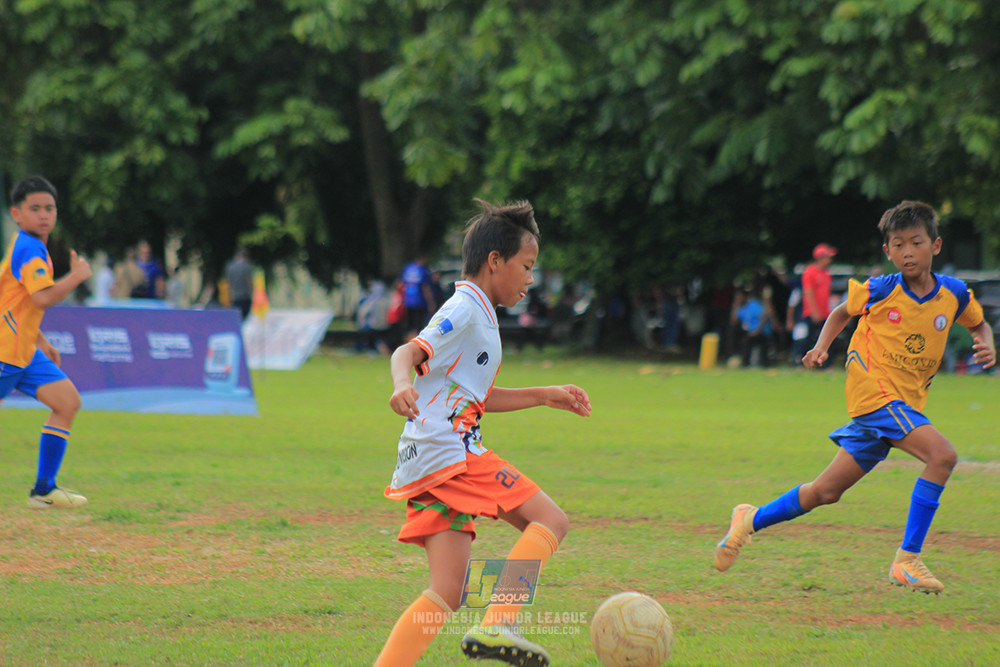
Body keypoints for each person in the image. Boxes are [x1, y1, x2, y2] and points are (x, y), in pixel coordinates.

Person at [713, 200, 995, 594]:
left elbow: (979, 324)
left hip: (900, 406)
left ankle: (748, 519)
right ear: (887, 252)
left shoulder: (954, 294)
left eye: (915, 242)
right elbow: (840, 313)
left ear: (936, 245)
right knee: (942, 456)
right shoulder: (880, 289)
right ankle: (907, 559)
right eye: (897, 245)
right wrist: (821, 346)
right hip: (874, 395)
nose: (906, 252)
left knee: (824, 492)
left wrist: (988, 346)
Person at [374, 199, 592, 667]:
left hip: (426, 461)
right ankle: (498, 621)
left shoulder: (481, 315)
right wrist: (400, 385)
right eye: (526, 267)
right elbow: (405, 353)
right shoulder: (465, 308)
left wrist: (543, 394)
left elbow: (474, 395)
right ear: (495, 261)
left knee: (447, 593)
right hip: (451, 452)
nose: (530, 279)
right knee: (551, 521)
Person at [1, 176, 93, 508]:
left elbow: (14, 301)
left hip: (23, 351)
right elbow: (40, 299)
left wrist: (39, 339)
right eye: (34, 208)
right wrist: (78, 276)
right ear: (16, 213)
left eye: (49, 208)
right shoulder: (28, 247)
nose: (44, 215)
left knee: (66, 402)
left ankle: (44, 491)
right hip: (4, 353)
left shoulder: (28, 244)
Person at [798, 242, 837, 366]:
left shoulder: (826, 274)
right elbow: (808, 293)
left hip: (825, 313)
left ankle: (826, 364)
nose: (830, 260)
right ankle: (800, 363)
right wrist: (814, 312)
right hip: (812, 313)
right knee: (806, 339)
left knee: (828, 340)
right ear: (821, 258)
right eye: (828, 257)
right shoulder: (809, 273)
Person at [400, 255, 437, 336]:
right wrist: (431, 302)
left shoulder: (407, 268)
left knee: (409, 326)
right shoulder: (422, 270)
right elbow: (426, 287)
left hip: (407, 301)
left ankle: (408, 342)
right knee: (418, 326)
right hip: (419, 301)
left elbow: (400, 284)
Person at [224, 247, 254, 320]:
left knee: (236, 318)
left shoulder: (230, 267)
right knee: (243, 316)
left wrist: (229, 297)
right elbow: (249, 281)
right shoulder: (247, 266)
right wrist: (252, 292)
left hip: (234, 297)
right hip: (245, 296)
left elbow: (228, 283)